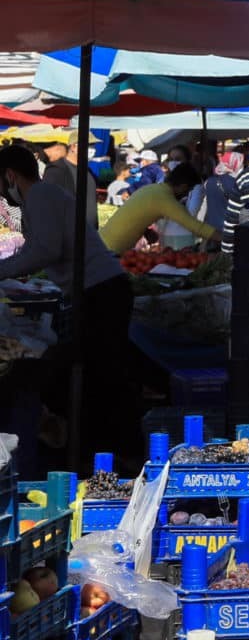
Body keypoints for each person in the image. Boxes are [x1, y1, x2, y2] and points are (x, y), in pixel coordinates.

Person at [0, 143, 136, 468]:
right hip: (97, 291)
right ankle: (111, 450)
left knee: (103, 372)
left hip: (102, 291)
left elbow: (44, 250)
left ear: (10, 176)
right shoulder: (44, 195)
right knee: (101, 371)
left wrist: (3, 270)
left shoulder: (41, 196)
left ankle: (117, 453)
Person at [99, 163, 219, 252]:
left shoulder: (152, 189)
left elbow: (133, 215)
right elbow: (196, 227)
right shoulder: (165, 199)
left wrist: (144, 230)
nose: (187, 195)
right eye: (189, 190)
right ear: (183, 186)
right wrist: (226, 238)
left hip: (103, 242)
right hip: (112, 249)